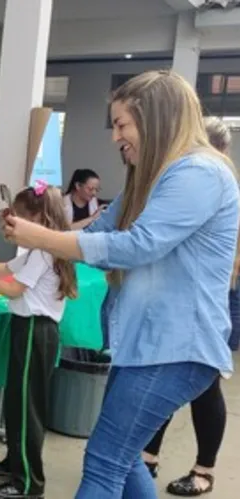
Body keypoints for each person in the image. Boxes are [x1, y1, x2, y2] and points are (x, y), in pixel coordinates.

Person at [0, 70, 238, 498]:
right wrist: (43, 227)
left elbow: (137, 245)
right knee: (122, 458)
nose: (116, 137)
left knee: (105, 462)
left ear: (156, 119)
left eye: (123, 124)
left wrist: (39, 236)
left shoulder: (199, 173)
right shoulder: (153, 179)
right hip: (146, 343)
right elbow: (101, 231)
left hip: (175, 347)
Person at [140, 116, 238, 496]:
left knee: (204, 386)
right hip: (178, 303)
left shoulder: (219, 183)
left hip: (208, 304)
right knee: (165, 382)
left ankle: (204, 468)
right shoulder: (189, 181)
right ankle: (148, 455)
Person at [0, 183, 78, 499]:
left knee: (27, 408)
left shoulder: (44, 251)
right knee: (16, 402)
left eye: (17, 220)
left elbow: (14, 288)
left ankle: (28, 483)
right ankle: (15, 461)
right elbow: (7, 268)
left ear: (37, 219)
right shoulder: (37, 249)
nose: (12, 226)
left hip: (35, 332)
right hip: (27, 331)